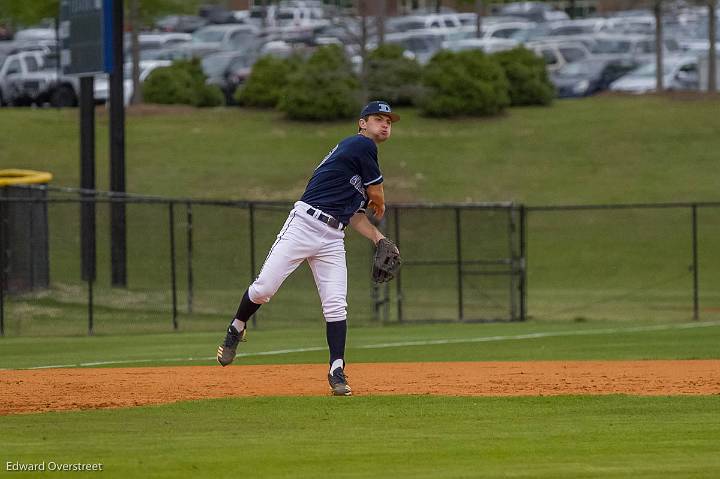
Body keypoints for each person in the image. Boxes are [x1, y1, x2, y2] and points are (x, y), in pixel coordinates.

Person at [216, 100, 400, 396]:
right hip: (303, 224)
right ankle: (237, 326)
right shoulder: (360, 145)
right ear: (362, 123)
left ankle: (336, 370)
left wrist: (379, 239)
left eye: (389, 120)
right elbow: (377, 195)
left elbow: (356, 217)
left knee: (336, 304)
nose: (385, 124)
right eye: (378, 118)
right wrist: (379, 200)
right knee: (264, 289)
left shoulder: (354, 167)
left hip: (332, 237)